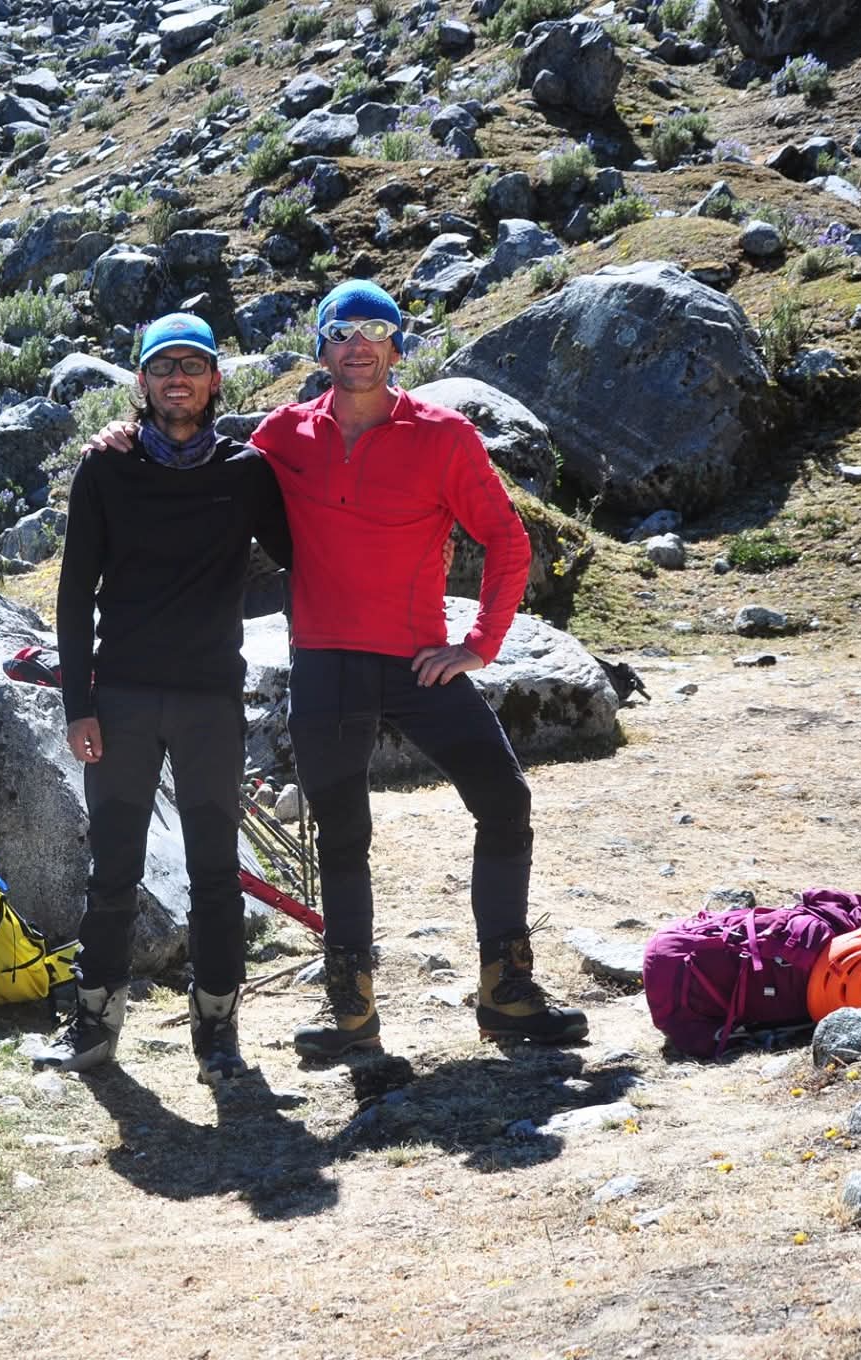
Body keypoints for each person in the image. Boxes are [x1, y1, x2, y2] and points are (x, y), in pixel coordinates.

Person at [251, 280, 586, 1054]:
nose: (358, 344)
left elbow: (506, 539)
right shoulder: (282, 434)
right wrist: (128, 441)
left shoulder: (443, 435)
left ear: (398, 347)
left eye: (376, 330)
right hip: (327, 664)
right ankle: (351, 1013)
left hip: (417, 662)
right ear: (322, 348)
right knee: (341, 831)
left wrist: (481, 645)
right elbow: (206, 483)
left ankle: (506, 991)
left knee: (504, 799)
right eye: (341, 330)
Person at [41, 314, 291, 1085]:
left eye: (193, 364)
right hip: (119, 698)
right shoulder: (106, 470)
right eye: (161, 366)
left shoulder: (247, 472)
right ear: (141, 384)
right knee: (112, 869)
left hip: (210, 697)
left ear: (216, 381)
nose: (177, 378)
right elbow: (76, 593)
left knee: (216, 869)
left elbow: (306, 557)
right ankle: (94, 1023)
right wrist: (77, 704)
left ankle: (217, 1028)